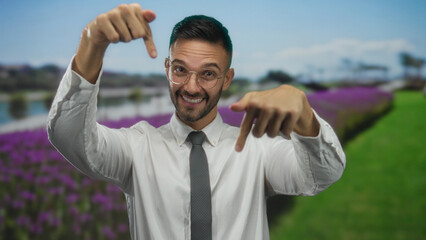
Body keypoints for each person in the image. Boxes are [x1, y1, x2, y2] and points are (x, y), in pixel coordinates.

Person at [47, 3, 346, 240]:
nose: (191, 87)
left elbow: (321, 175)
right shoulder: (137, 147)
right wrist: (92, 45)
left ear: (227, 78)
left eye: (207, 73)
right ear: (166, 68)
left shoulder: (258, 149)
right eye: (180, 70)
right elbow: (68, 136)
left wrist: (305, 115)